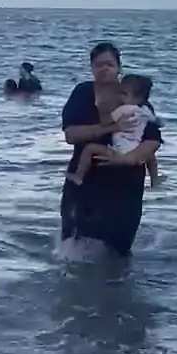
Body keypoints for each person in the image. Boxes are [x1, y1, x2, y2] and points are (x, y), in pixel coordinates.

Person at [60, 42, 162, 257]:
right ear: (91, 68)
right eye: (98, 65)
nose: (104, 69)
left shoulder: (134, 97)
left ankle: (119, 279)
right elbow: (71, 135)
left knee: (119, 251)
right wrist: (110, 127)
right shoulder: (83, 93)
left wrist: (127, 159)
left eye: (109, 64)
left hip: (125, 185)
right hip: (86, 181)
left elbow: (153, 141)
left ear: (119, 68)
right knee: (71, 246)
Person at [66, 72, 163, 188]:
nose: (120, 96)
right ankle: (154, 179)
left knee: (89, 149)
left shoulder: (123, 110)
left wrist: (102, 107)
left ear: (138, 98)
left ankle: (79, 175)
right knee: (150, 156)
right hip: (134, 146)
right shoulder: (145, 110)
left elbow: (105, 121)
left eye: (124, 94)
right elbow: (157, 123)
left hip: (119, 149)